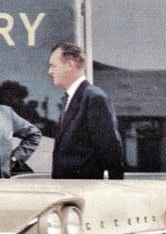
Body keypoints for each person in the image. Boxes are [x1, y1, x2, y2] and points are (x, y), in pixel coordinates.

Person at [47, 42, 125, 179]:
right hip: (68, 188)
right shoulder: (69, 99)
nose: (50, 71)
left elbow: (110, 149)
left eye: (53, 66)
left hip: (85, 189)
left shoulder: (94, 98)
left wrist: (114, 187)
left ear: (70, 65)